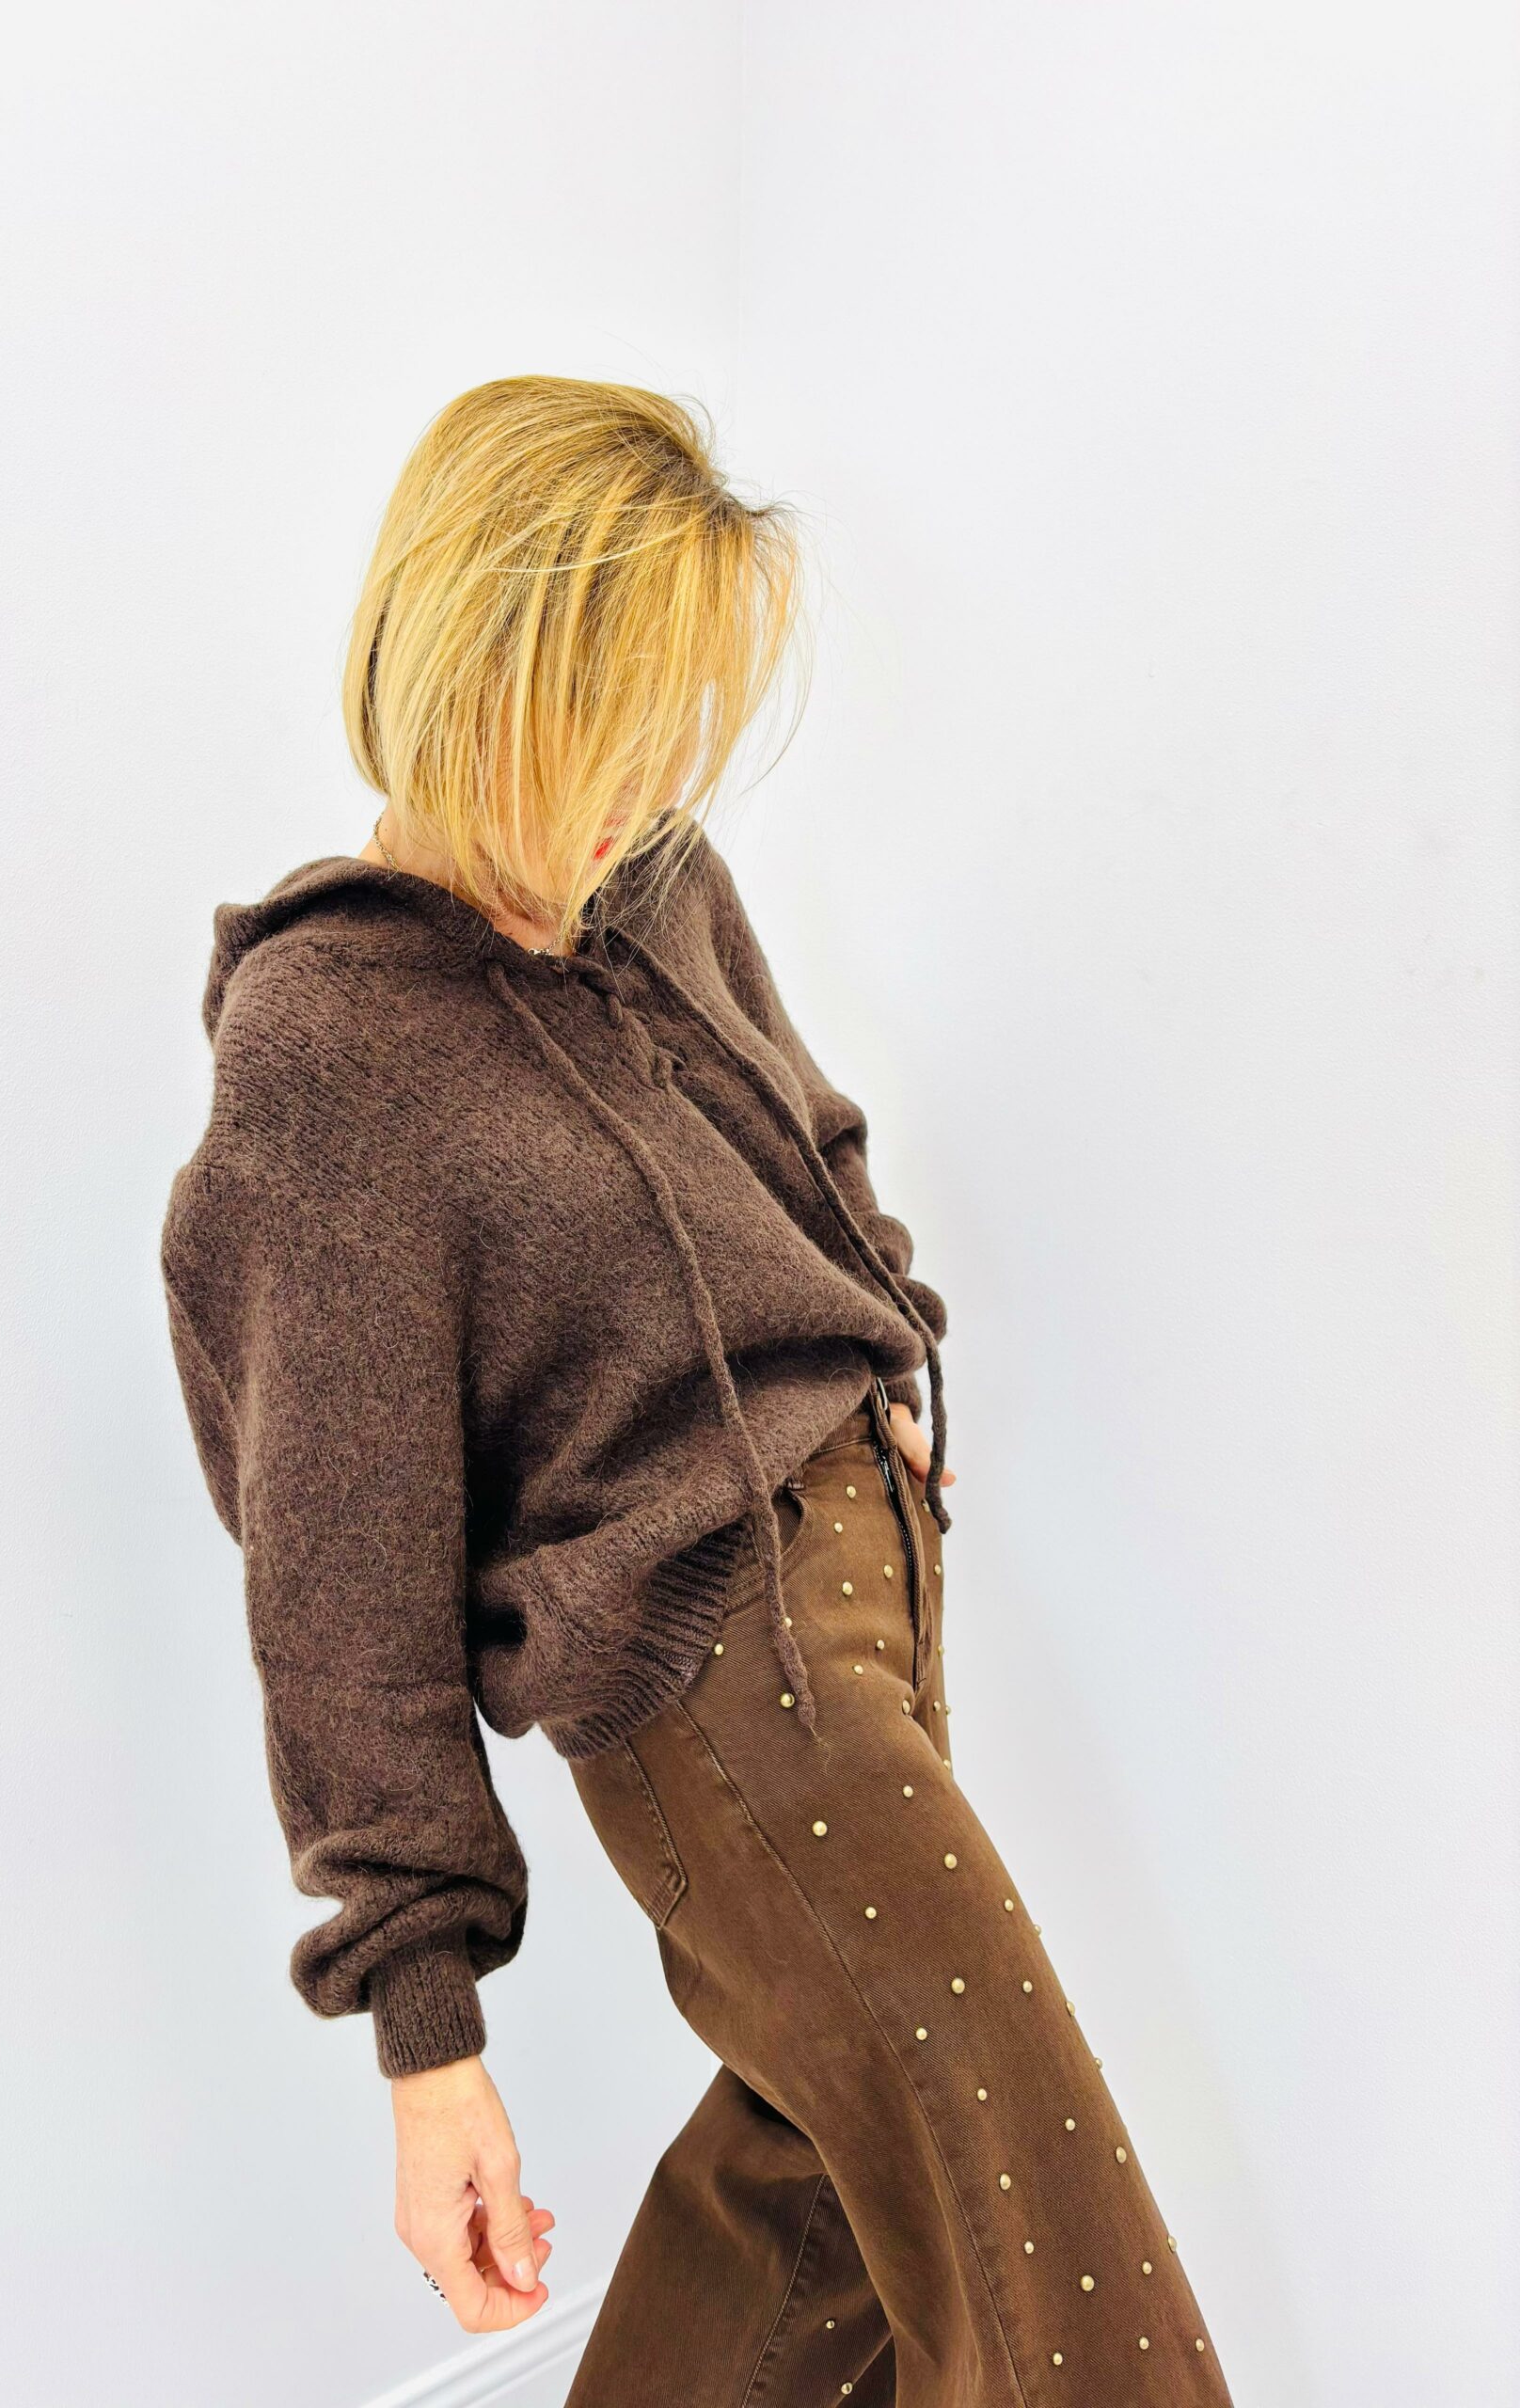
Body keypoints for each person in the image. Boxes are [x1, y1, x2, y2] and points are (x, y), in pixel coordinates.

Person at [159, 376, 1232, 2403]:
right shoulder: (332, 1047)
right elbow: (336, 1571)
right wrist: (427, 2037)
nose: (641, 791)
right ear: (471, 674)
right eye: (608, 729)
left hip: (871, 1578)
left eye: (672, 733)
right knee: (1033, 2222)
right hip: (714, 1669)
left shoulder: (652, 875)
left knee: (816, 2185)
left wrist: (884, 1346)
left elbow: (803, 1133)